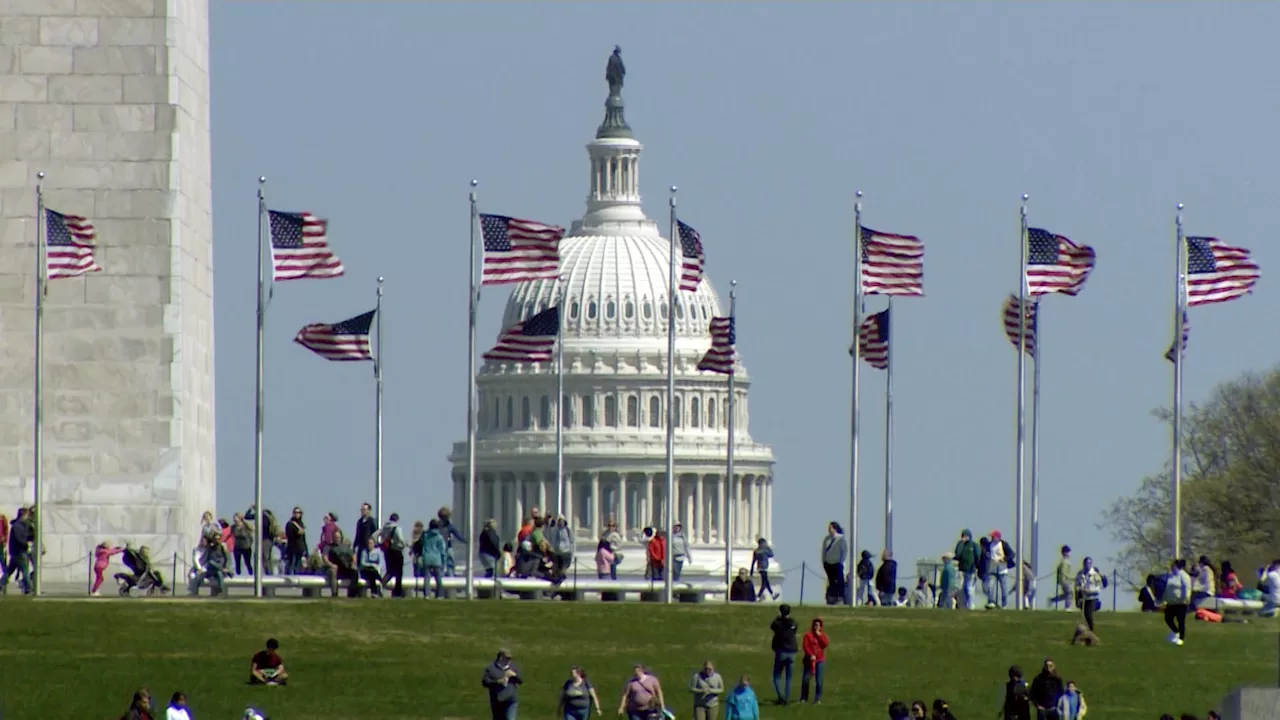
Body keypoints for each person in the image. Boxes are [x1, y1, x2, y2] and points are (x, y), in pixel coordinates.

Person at [769, 603, 798, 705]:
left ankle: (781, 697)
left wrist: (778, 617)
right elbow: (795, 630)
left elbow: (772, 626)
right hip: (792, 651)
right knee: (788, 678)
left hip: (781, 650)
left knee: (776, 676)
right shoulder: (793, 622)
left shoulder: (778, 623)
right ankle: (786, 698)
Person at [481, 648, 522, 720]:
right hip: (497, 702)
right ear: (501, 657)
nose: (509, 661)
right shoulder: (491, 668)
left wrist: (514, 675)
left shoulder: (513, 667)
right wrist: (498, 682)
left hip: (511, 701)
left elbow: (521, 680)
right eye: (507, 658)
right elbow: (485, 682)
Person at [1164, 558, 1192, 646]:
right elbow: (1167, 588)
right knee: (1168, 618)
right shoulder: (1171, 575)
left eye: (1173, 565)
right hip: (1171, 603)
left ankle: (1181, 638)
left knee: (1181, 621)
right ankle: (1176, 632)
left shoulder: (1184, 575)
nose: (1171, 567)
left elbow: (1187, 588)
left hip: (1181, 603)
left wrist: (1186, 598)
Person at [378, 513, 407, 597]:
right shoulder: (397, 528)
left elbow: (376, 535)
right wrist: (404, 545)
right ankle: (397, 591)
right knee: (399, 573)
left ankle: (381, 585)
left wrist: (379, 543)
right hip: (396, 551)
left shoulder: (384, 528)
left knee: (390, 571)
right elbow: (401, 539)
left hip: (387, 551)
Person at [1074, 557, 1107, 632]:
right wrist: (1079, 593)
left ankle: (1091, 631)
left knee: (1088, 614)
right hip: (1083, 598)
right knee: (1084, 615)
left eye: (1089, 563)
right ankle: (1085, 631)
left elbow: (1099, 587)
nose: (1087, 565)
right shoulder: (1080, 574)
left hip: (1093, 598)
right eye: (1086, 563)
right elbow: (1077, 585)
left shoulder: (1095, 574)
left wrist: (1089, 591)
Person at [800, 617, 827, 704]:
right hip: (809, 660)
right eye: (815, 625)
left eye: (818, 625)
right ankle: (804, 698)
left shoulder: (822, 635)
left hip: (819, 660)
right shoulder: (808, 635)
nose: (816, 627)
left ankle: (817, 698)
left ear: (821, 627)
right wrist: (810, 654)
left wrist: (819, 636)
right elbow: (805, 646)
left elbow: (825, 644)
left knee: (819, 681)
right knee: (806, 680)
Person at [419, 519, 448, 598]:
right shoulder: (439, 537)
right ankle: (439, 595)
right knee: (438, 578)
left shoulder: (425, 535)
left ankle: (427, 595)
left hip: (427, 557)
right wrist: (444, 562)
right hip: (436, 559)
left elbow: (420, 545)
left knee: (427, 578)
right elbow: (442, 551)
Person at [953, 528, 980, 609]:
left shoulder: (974, 545)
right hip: (961, 570)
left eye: (966, 536)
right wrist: (961, 543)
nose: (965, 537)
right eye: (963, 536)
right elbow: (957, 554)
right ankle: (963, 605)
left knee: (969, 588)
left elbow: (978, 556)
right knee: (962, 589)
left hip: (971, 570)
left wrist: (976, 566)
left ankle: (970, 605)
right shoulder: (960, 544)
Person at [821, 522, 847, 605]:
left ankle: (840, 597)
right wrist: (824, 561)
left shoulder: (841, 539)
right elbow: (823, 551)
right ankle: (832, 597)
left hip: (837, 563)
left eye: (830, 528)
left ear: (835, 528)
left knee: (839, 581)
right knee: (831, 581)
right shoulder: (826, 539)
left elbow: (844, 552)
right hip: (828, 563)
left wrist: (841, 562)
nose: (829, 529)